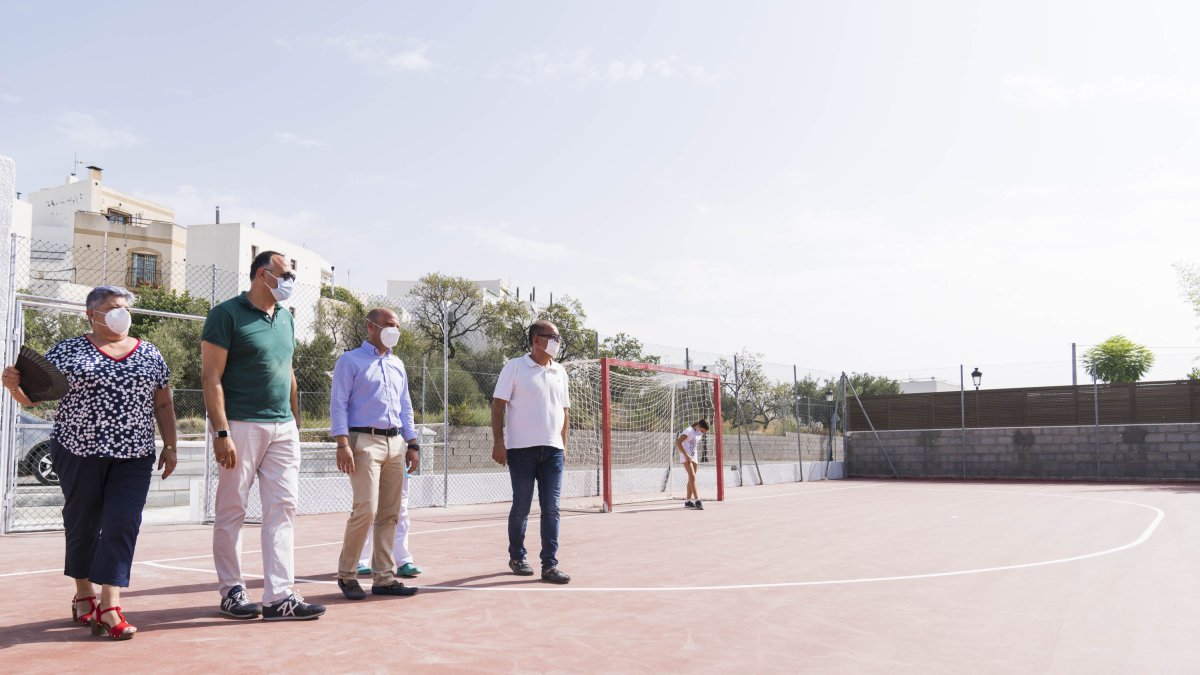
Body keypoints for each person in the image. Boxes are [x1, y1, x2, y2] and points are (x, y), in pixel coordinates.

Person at [2, 285, 177, 640]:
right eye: (112, 307)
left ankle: (110, 606)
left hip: (134, 454)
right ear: (91, 314)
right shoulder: (67, 351)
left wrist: (171, 445)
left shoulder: (150, 353)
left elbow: (163, 403)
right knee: (83, 522)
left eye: (125, 307)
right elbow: (33, 398)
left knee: (122, 522)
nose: (121, 313)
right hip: (77, 450)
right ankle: (84, 593)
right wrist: (13, 386)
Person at [201, 251, 325, 621]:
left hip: (283, 427)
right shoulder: (226, 314)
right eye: (285, 275)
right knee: (232, 509)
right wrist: (221, 431)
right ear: (262, 274)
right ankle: (232, 591)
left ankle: (279, 596)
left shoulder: (286, 318)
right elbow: (210, 376)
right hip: (240, 425)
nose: (290, 282)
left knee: (282, 508)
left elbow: (288, 370)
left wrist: (295, 420)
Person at [330, 308, 421, 600]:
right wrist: (342, 443)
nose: (394, 330)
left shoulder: (397, 364)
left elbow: (406, 405)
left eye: (397, 326)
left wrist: (412, 443)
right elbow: (338, 403)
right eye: (388, 325)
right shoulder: (350, 361)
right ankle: (347, 574)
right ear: (370, 327)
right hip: (363, 441)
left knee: (390, 513)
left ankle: (384, 577)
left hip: (396, 443)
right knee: (366, 509)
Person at [491, 320, 571, 584]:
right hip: (521, 450)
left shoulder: (560, 371)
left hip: (553, 452)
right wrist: (499, 442)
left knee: (552, 509)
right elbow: (498, 405)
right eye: (553, 337)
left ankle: (550, 565)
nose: (558, 342)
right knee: (522, 507)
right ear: (537, 340)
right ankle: (517, 557)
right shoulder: (514, 367)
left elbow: (564, 411)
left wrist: (563, 445)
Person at [356, 474, 420, 580]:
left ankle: (403, 562)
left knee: (401, 512)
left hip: (401, 468)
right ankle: (359, 561)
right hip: (372, 468)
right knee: (369, 511)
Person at [675, 420, 710, 509]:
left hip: (694, 456)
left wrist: (692, 456)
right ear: (698, 425)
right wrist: (686, 455)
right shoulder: (688, 431)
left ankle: (688, 501)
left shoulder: (699, 433)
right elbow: (678, 442)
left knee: (691, 478)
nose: (702, 433)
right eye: (702, 430)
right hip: (686, 456)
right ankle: (697, 500)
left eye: (704, 432)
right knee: (692, 476)